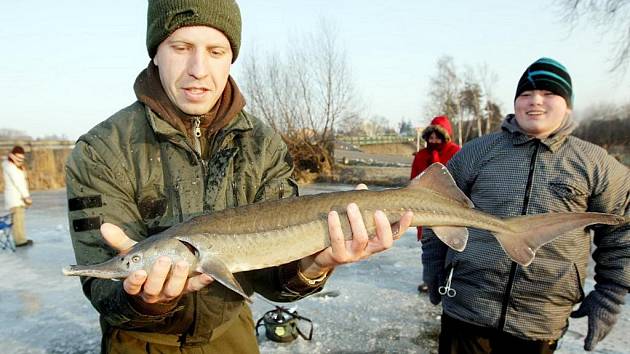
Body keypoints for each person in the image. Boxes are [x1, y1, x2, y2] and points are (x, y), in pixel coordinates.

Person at [65, 1, 412, 353]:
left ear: (231, 57)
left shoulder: (262, 145)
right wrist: (145, 299)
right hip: (140, 343)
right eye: (181, 48)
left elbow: (273, 278)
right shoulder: (101, 150)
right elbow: (102, 289)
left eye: (216, 51)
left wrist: (315, 264)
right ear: (156, 52)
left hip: (233, 336)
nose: (198, 69)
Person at [422, 57, 629, 353]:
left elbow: (623, 232)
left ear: (567, 104)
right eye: (526, 94)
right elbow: (432, 210)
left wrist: (610, 295)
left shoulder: (595, 164)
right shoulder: (478, 152)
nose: (535, 102)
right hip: (467, 306)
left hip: (540, 319)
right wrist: (432, 267)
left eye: (548, 94)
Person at [410, 115, 460, 292]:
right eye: (430, 137)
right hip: (424, 208)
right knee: (429, 251)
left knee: (450, 249)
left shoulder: (456, 152)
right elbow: (413, 179)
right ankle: (430, 282)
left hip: (450, 208)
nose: (433, 140)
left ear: (444, 137)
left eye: (436, 137)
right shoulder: (421, 156)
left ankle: (449, 283)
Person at [2, 145, 33, 247]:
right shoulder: (10, 167)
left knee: (20, 219)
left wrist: (21, 168)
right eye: (18, 157)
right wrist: (26, 197)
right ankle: (19, 241)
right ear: (12, 155)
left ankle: (22, 238)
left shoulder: (15, 166)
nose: (20, 160)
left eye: (22, 158)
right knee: (17, 220)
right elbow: (18, 182)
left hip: (18, 197)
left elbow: (23, 179)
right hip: (15, 198)